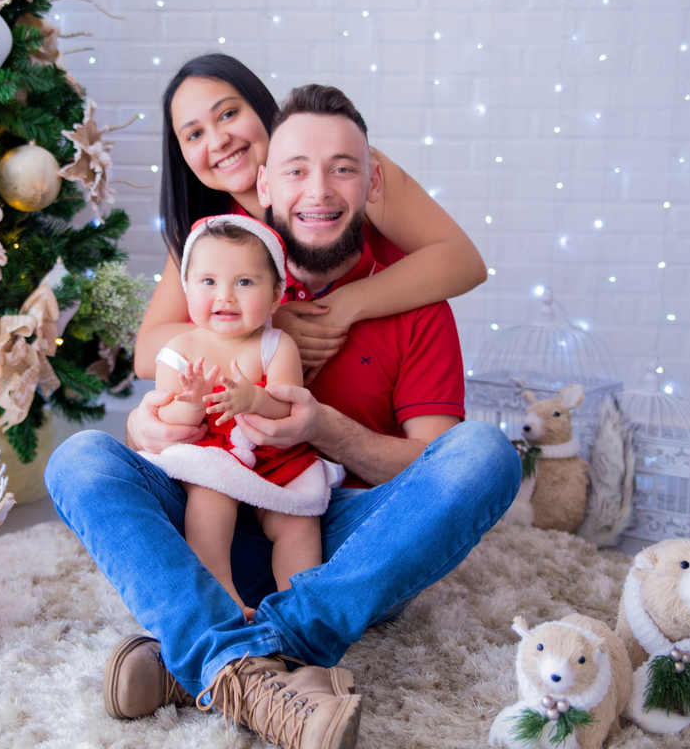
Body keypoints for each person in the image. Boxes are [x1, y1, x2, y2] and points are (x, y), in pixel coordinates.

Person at [45, 83, 521, 749]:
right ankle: (259, 663)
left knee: (488, 454)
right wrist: (147, 426)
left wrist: (324, 428)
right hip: (209, 512)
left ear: (372, 183)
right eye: (297, 171)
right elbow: (163, 360)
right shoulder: (234, 273)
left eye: (342, 169)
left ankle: (215, 653)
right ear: (263, 184)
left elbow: (436, 464)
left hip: (335, 545)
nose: (318, 191)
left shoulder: (416, 302)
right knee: (80, 458)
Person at [136, 53, 488, 384]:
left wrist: (345, 304)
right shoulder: (208, 231)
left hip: (388, 369)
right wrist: (266, 328)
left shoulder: (347, 169)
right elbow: (146, 352)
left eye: (228, 114)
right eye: (194, 134)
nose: (218, 141)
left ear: (260, 108)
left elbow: (464, 261)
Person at [143, 215, 345, 621]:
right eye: (208, 281)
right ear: (186, 288)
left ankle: (297, 606)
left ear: (275, 296)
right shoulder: (178, 350)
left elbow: (288, 408)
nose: (226, 296)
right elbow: (168, 419)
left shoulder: (277, 345)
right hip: (212, 456)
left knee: (298, 521)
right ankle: (221, 593)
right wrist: (192, 403)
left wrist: (254, 398)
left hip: (273, 459)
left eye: (245, 282)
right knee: (209, 499)